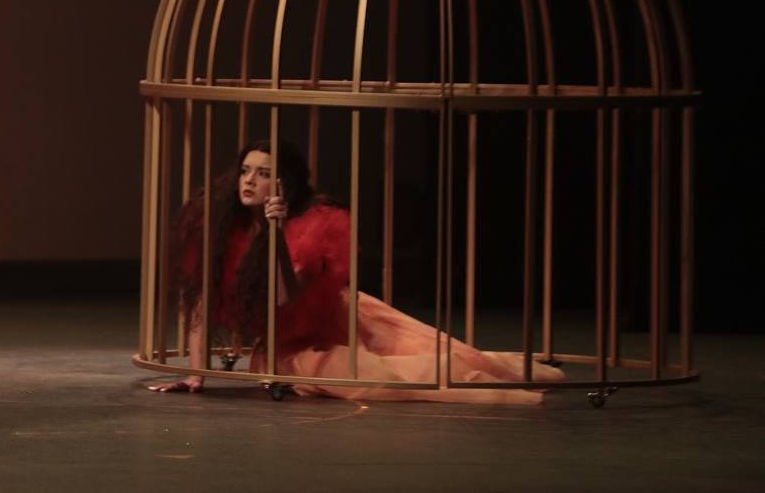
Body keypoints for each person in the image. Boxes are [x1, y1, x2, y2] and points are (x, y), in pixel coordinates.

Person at [148, 141, 564, 403]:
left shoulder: (313, 227)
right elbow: (199, 299)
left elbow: (283, 296)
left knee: (451, 357)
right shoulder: (223, 227)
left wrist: (274, 236)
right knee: (386, 375)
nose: (249, 180)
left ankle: (518, 373)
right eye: (245, 170)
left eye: (263, 172)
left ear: (284, 184)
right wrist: (194, 375)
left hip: (345, 316)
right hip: (291, 346)